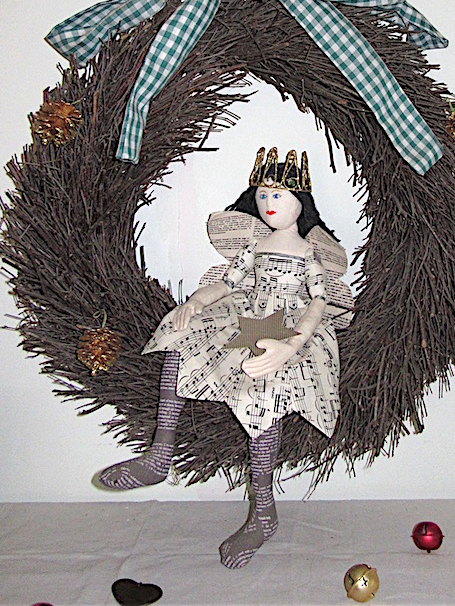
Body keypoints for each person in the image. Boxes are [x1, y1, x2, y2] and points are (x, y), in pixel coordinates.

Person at [96, 147, 345, 568]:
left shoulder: (308, 254)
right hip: (246, 313)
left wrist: (292, 344)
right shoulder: (256, 245)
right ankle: (160, 453)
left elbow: (319, 302)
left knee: (267, 394)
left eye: (278, 195)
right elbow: (229, 283)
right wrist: (195, 301)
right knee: (183, 343)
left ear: (301, 201)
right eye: (262, 195)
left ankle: (263, 510)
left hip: (288, 326)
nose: (268, 203)